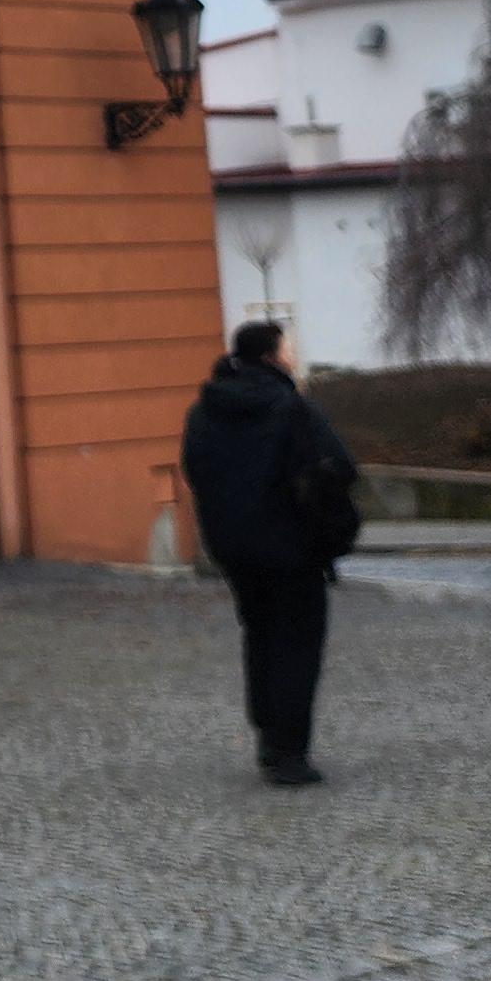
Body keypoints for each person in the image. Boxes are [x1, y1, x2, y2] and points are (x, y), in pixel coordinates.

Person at [179, 320, 360, 787]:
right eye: (287, 347)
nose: (293, 354)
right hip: (292, 546)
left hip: (234, 548)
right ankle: (288, 752)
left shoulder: (204, 411)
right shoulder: (292, 408)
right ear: (271, 356)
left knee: (259, 635)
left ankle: (266, 735)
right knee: (297, 643)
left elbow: (195, 470)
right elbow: (338, 467)